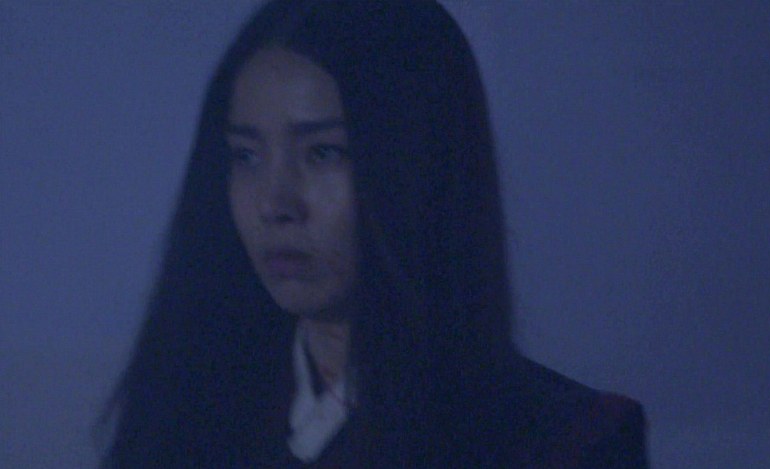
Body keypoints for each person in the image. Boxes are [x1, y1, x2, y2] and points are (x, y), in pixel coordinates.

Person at [99, 1, 648, 467]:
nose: (275, 203)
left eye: (323, 152)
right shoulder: (185, 414)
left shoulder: (566, 441)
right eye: (245, 155)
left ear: (422, 166)